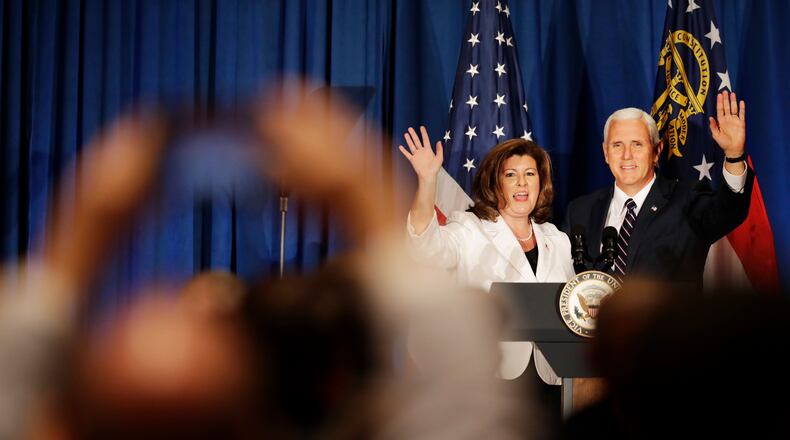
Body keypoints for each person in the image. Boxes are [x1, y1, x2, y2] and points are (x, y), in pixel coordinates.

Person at [565, 91, 752, 286]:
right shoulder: (580, 212)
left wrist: (734, 155)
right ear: (605, 153)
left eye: (637, 145)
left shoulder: (687, 200)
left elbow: (730, 210)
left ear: (657, 151)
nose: (626, 155)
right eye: (617, 145)